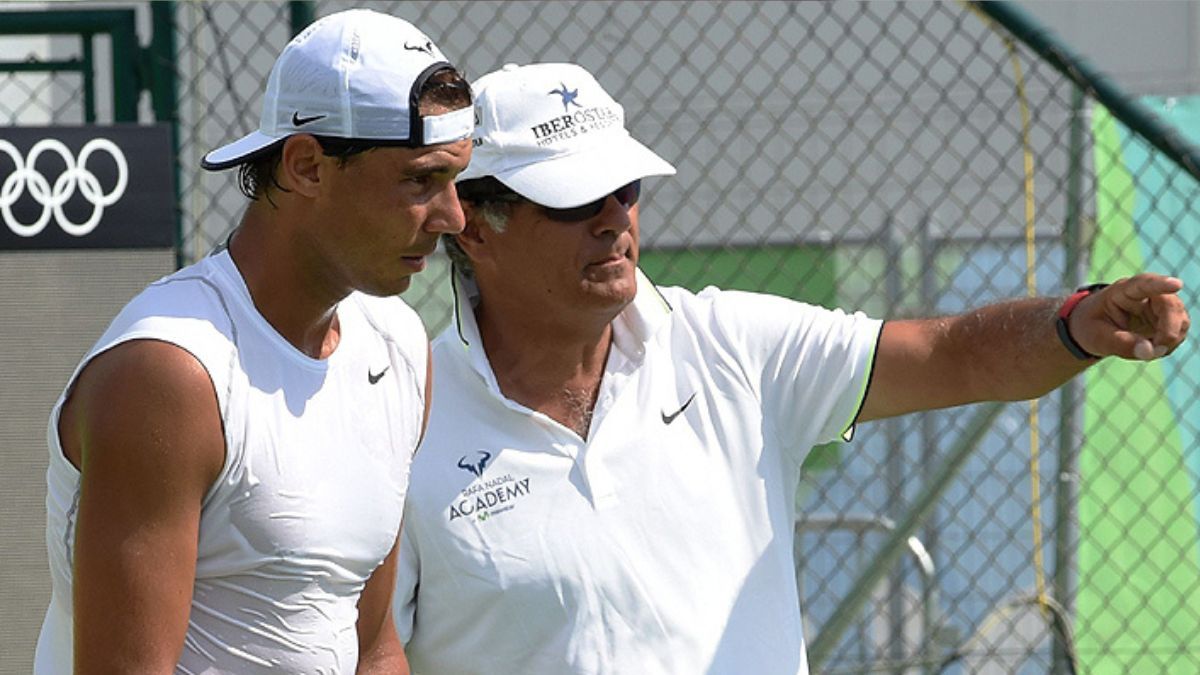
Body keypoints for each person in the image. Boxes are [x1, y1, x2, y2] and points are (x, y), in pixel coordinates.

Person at [392, 61, 1190, 674]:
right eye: (573, 198)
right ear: (474, 225)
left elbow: (954, 355)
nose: (614, 218)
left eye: (625, 187)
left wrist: (1075, 322)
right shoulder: (402, 420)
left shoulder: (733, 344)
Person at [32, 9, 473, 674]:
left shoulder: (400, 346)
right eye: (420, 180)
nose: (453, 216)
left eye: (456, 180)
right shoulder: (170, 373)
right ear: (306, 166)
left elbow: (372, 645)